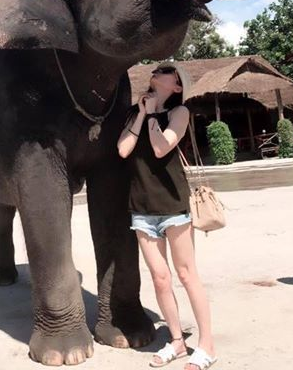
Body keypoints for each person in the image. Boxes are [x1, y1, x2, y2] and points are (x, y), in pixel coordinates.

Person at [117, 62, 217, 370]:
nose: (158, 71)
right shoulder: (136, 113)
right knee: (160, 279)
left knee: (187, 275)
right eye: (159, 69)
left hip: (173, 205)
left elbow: (161, 148)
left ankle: (207, 345)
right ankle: (176, 341)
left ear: (176, 86)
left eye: (166, 71)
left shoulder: (179, 112)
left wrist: (152, 117)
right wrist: (143, 113)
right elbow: (123, 149)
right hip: (141, 207)